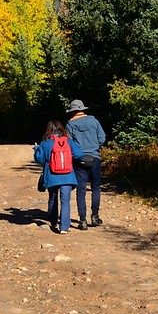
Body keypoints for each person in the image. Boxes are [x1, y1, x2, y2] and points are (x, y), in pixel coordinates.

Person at [34, 120, 83, 234]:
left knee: (53, 199)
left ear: (48, 129)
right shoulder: (68, 141)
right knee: (65, 201)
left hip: (52, 176)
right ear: (61, 128)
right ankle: (64, 227)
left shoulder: (46, 143)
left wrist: (36, 150)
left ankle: (53, 221)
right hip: (68, 175)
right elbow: (79, 154)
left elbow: (40, 159)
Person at [65, 99, 107, 230]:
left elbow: (69, 144)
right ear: (82, 109)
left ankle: (82, 220)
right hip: (94, 157)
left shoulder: (69, 125)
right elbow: (102, 138)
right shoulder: (94, 121)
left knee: (81, 191)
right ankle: (95, 216)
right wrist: (94, 146)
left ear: (73, 111)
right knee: (96, 188)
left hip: (79, 160)